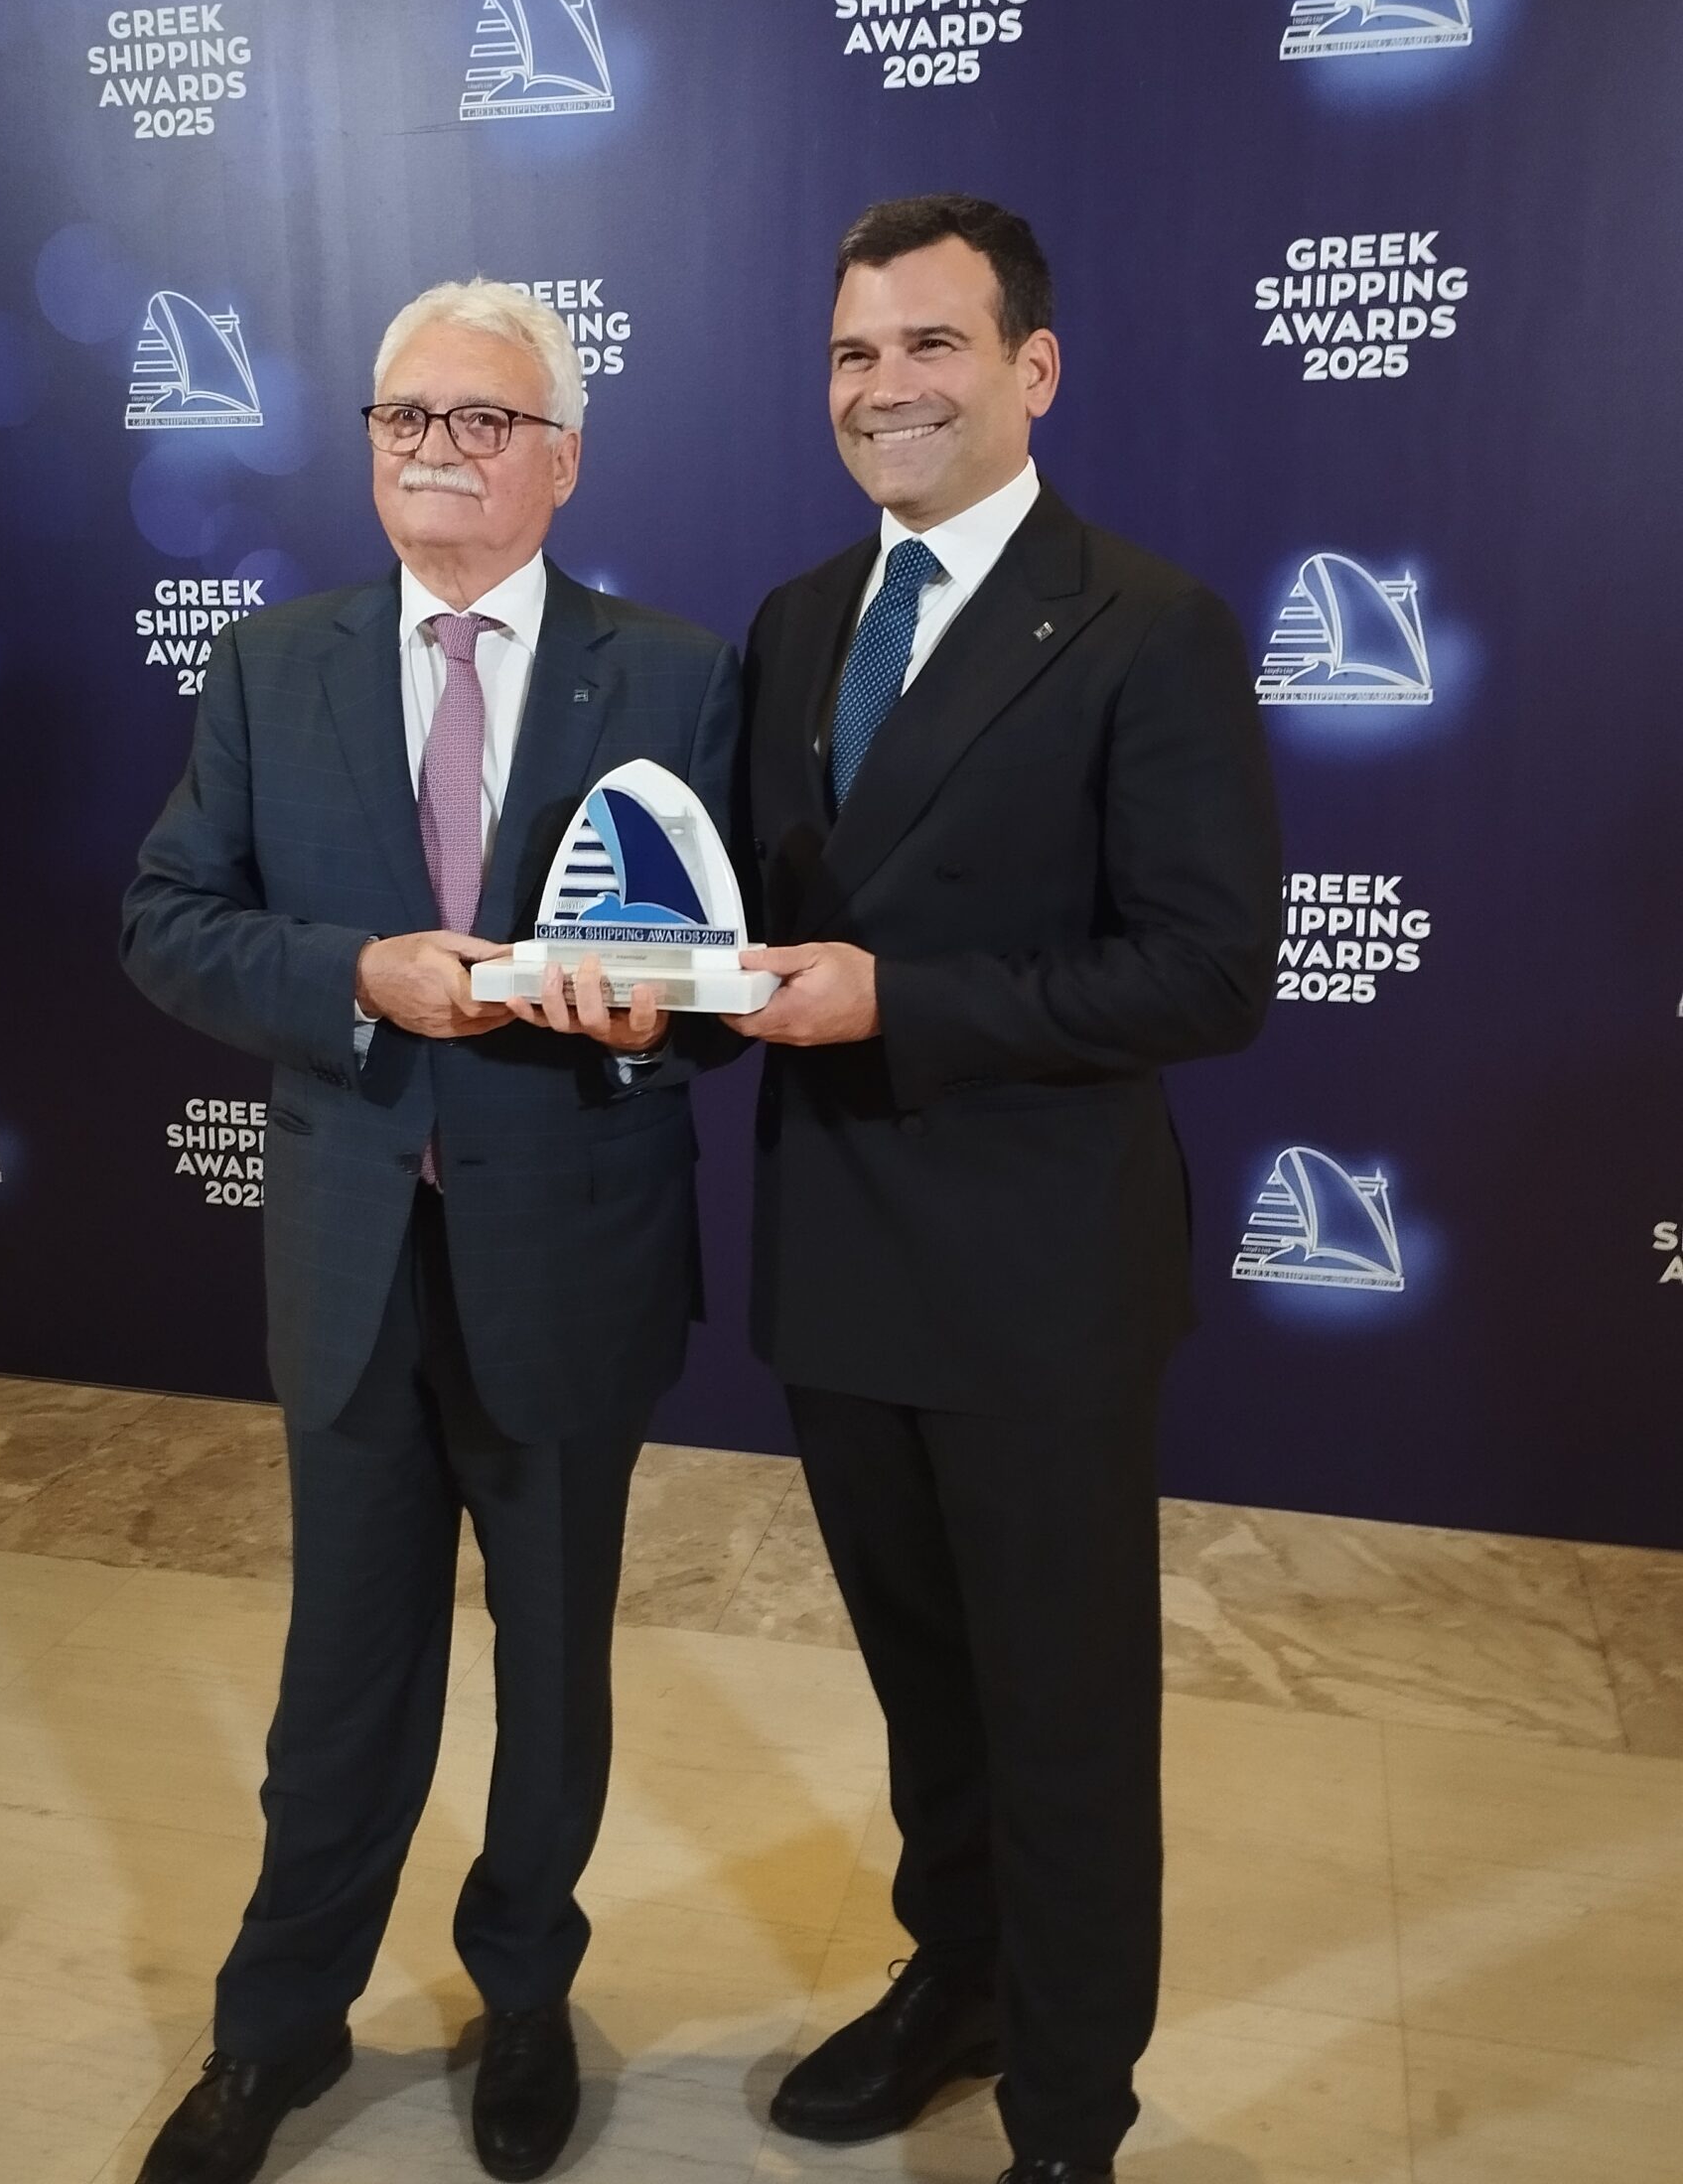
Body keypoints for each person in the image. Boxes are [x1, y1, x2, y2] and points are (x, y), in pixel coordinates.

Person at [120, 280, 738, 2184]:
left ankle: (526, 2000)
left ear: (564, 459)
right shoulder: (270, 665)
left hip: (573, 1258)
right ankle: (276, 2024)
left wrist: (655, 1025)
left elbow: (729, 981)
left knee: (553, 1676)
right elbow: (166, 922)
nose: (439, 451)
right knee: (340, 1678)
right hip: (351, 1269)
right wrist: (355, 975)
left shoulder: (678, 675)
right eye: (407, 417)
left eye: (485, 420)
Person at [728, 196, 1281, 2184]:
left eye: (930, 344)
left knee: (1062, 1724)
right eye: (853, 352)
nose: (885, 385)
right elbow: (758, 923)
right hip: (840, 1259)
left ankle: (1066, 2113)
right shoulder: (797, 620)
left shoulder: (1145, 621)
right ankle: (952, 1983)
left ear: (1031, 369)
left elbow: (1208, 971)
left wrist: (906, 1001)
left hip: (1038, 1283)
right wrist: (644, 981)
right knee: (927, 1696)